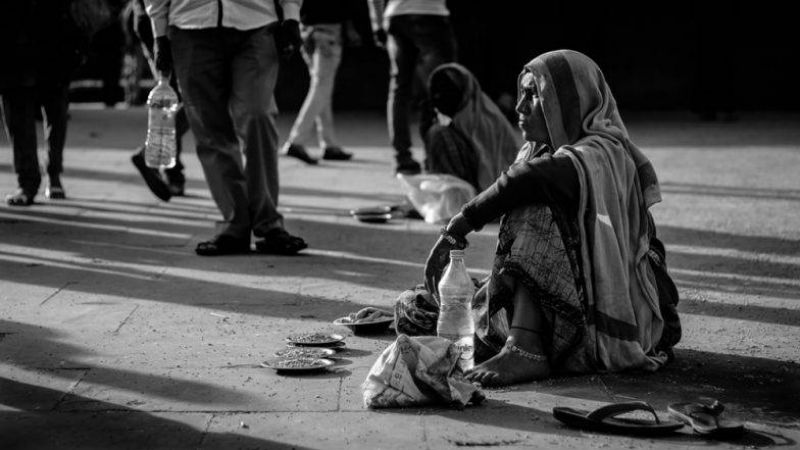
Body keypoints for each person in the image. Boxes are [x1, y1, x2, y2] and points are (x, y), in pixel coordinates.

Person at [419, 50, 681, 386]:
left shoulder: (602, 152)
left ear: (570, 103)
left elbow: (524, 181)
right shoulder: (541, 151)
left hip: (622, 318)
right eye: (522, 94)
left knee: (536, 203)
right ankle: (523, 335)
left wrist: (458, 227)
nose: (519, 107)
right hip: (574, 309)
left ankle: (525, 348)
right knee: (416, 307)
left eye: (534, 95)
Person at [145, 0, 308, 256]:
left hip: (256, 23)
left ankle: (269, 223)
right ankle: (234, 222)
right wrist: (159, 32)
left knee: (258, 115)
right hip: (190, 25)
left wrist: (291, 15)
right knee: (209, 128)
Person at [1, 0, 87, 205]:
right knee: (23, 113)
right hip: (21, 40)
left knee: (50, 110)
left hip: (51, 38)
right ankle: (33, 179)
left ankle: (48, 174)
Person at [368, 0, 457, 175]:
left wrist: (377, 24)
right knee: (437, 86)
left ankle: (402, 158)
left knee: (400, 87)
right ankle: (434, 156)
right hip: (431, 12)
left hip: (397, 15)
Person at [280, 0, 359, 165]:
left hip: (306, 30)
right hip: (328, 30)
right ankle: (296, 141)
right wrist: (351, 27)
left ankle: (329, 144)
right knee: (322, 86)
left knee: (322, 87)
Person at [424, 63, 522, 193]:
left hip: (491, 195)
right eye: (436, 90)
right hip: (484, 195)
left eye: (447, 89)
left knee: (438, 134)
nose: (438, 96)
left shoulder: (485, 119)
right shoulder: (447, 115)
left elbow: (492, 172)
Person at [128, 0, 187, 201]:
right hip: (166, 20)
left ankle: (171, 172)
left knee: (177, 97)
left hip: (154, 18)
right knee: (195, 96)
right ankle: (161, 163)